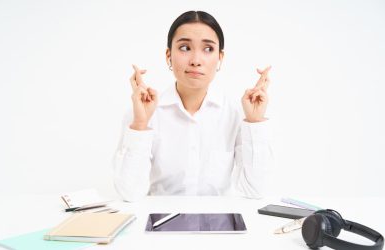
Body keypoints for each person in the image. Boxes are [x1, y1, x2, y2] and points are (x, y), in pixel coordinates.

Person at [113, 10, 273, 202]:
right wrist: (140, 124)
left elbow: (255, 191)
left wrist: (254, 122)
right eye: (185, 48)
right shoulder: (144, 113)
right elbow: (129, 194)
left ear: (220, 58)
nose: (196, 60)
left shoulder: (236, 113)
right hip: (160, 224)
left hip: (218, 225)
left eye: (208, 49)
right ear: (168, 56)